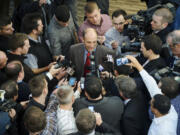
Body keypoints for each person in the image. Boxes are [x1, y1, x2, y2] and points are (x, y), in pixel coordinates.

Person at [126, 55, 178, 135]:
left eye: (151, 104)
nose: (150, 102)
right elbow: (151, 84)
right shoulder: (168, 106)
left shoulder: (164, 131)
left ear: (156, 111)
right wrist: (138, 65)